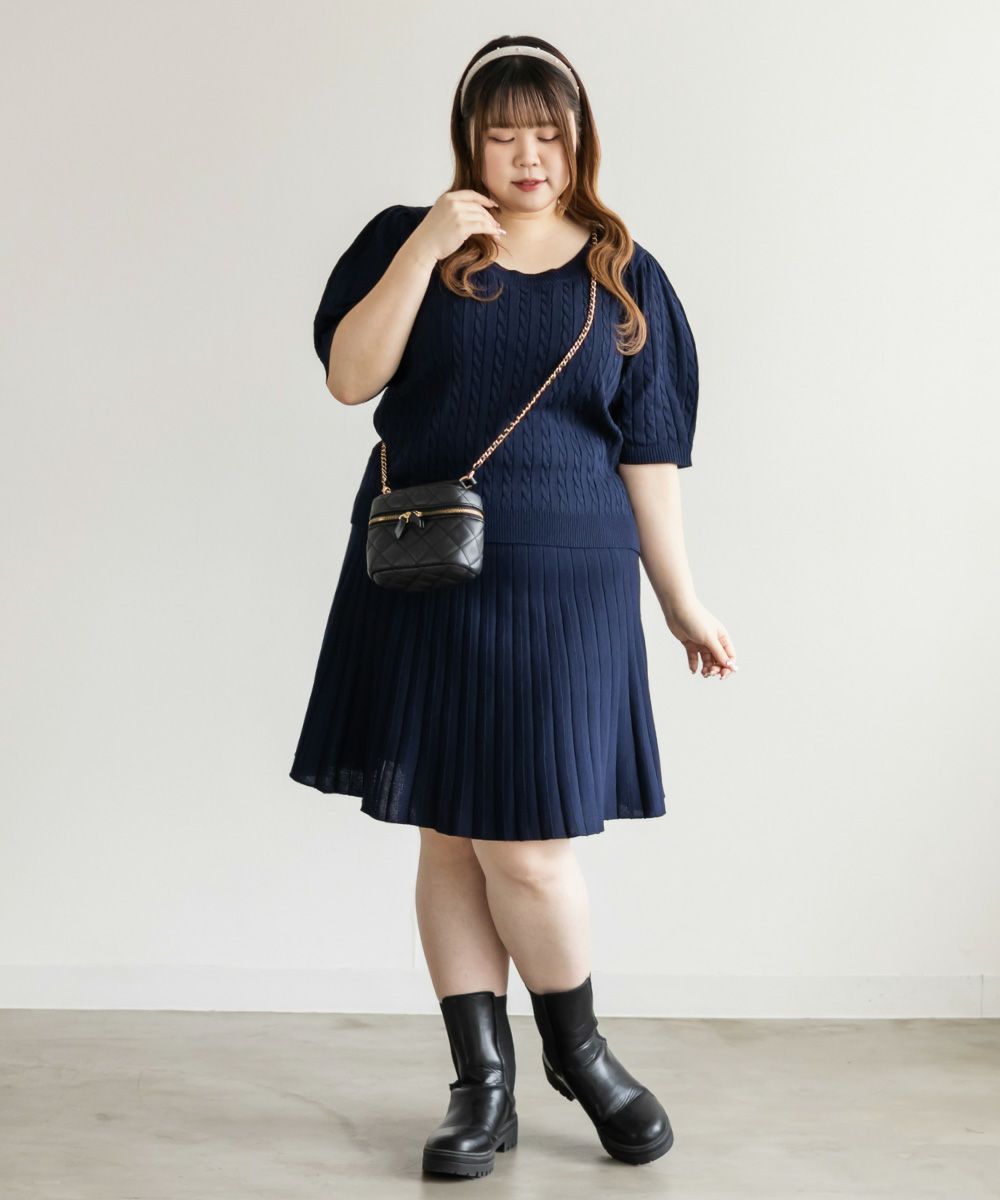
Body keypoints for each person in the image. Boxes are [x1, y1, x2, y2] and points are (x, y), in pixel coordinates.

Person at [289, 34, 737, 1178]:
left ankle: (577, 1053)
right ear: (468, 142)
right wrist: (428, 242)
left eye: (548, 133)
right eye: (503, 135)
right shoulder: (410, 241)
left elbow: (650, 454)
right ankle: (479, 1088)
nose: (529, 156)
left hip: (567, 588)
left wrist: (681, 600)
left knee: (527, 850)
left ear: (580, 139)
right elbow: (350, 376)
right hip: (428, 576)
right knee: (449, 833)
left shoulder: (625, 271)